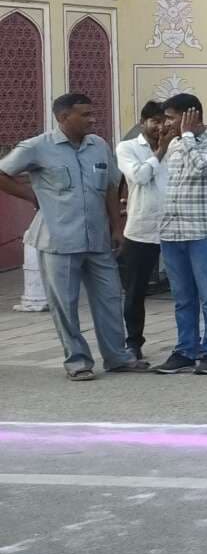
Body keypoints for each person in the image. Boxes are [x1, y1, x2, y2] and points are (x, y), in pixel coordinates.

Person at [0, 93, 145, 381]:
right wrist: (32, 195)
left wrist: (116, 228)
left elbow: (110, 187)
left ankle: (116, 357)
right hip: (58, 241)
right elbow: (2, 172)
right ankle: (78, 361)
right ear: (63, 117)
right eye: (85, 115)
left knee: (109, 298)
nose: (92, 119)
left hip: (98, 239)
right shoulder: (37, 147)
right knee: (64, 305)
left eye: (93, 113)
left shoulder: (98, 146)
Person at [154, 92, 207, 375]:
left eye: (172, 118)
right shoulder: (174, 144)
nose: (167, 124)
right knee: (182, 297)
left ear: (191, 115)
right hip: (172, 232)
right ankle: (185, 350)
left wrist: (187, 136)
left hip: (202, 231)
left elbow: (201, 168)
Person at [115, 100, 171, 360]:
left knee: (185, 288)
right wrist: (159, 152)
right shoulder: (127, 148)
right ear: (143, 123)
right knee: (136, 290)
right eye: (155, 121)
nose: (160, 126)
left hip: (175, 226)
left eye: (164, 121)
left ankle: (188, 342)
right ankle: (133, 341)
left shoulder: (177, 146)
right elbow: (138, 176)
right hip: (141, 226)